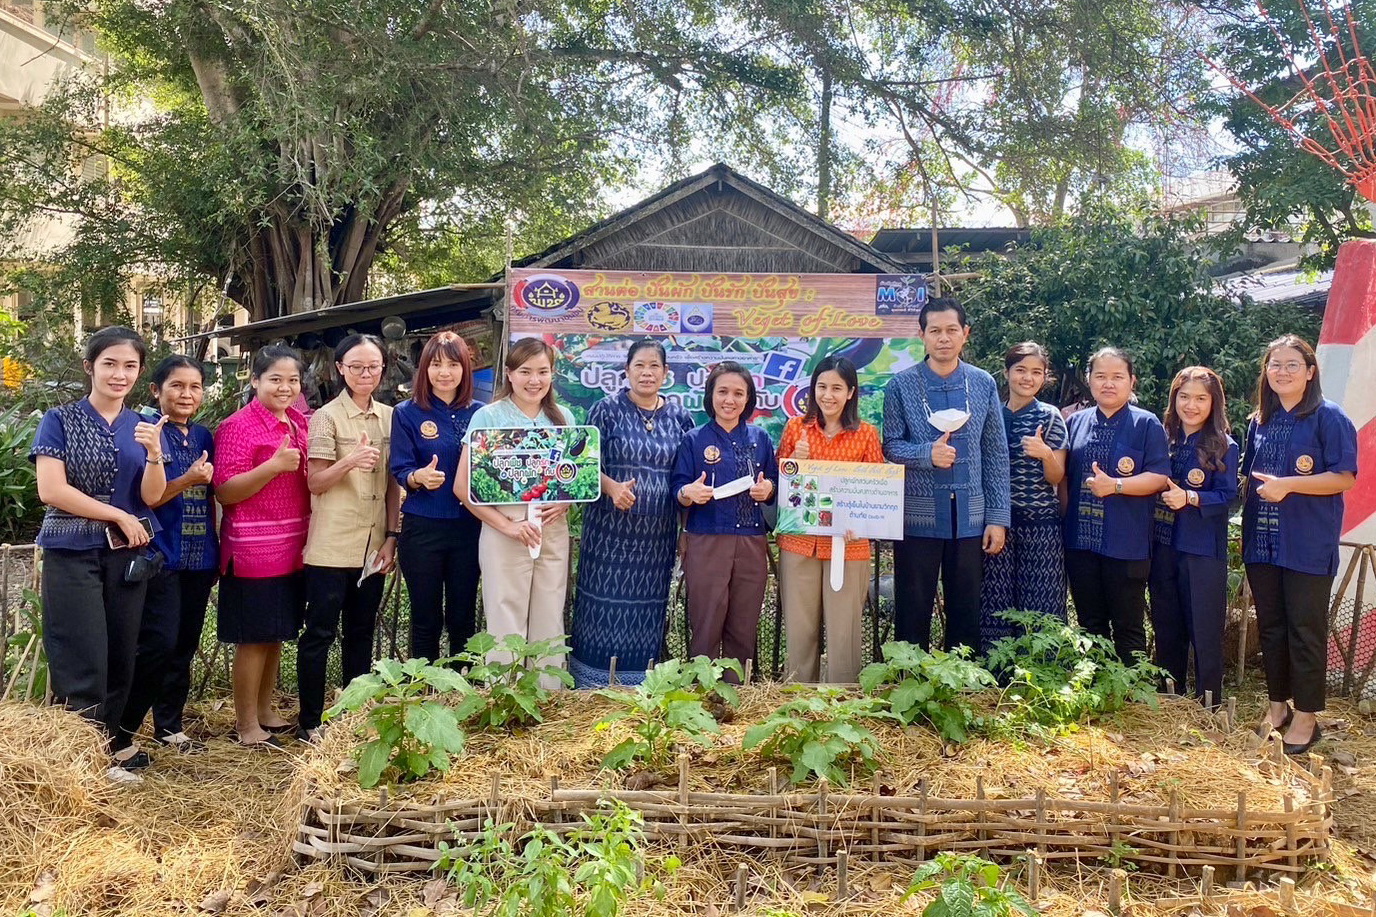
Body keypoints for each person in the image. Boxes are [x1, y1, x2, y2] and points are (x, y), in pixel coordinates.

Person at [31, 326, 167, 781]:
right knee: (82, 655)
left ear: (140, 371)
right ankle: (80, 762)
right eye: (110, 363)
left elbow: (152, 496)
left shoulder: (144, 426)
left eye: (130, 366)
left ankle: (105, 751)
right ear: (90, 366)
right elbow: (52, 490)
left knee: (121, 653)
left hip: (125, 557)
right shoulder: (60, 420)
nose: (119, 374)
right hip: (72, 551)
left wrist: (154, 454)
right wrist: (117, 514)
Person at [1242, 334, 1358, 754]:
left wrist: (1289, 485)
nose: (1283, 372)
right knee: (1272, 628)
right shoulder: (1260, 420)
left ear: (1310, 372)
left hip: (1307, 543)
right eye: (1275, 364)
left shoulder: (1329, 417)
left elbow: (1344, 477)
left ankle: (1307, 717)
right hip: (1263, 541)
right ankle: (1278, 707)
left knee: (1305, 630)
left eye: (1293, 364)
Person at [882, 296, 1010, 652]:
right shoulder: (900, 385)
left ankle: (962, 679)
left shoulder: (982, 383)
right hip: (918, 517)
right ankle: (909, 676)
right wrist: (927, 454)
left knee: (966, 609)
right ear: (921, 335)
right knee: (912, 607)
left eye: (951, 330)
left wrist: (997, 518)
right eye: (935, 331)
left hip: (971, 517)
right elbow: (891, 446)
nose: (943, 338)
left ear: (965, 334)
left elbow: (996, 453)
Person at [570, 340, 694, 687]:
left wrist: (685, 531)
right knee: (600, 609)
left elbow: (684, 479)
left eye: (654, 366)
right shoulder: (604, 410)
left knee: (647, 613)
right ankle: (592, 684)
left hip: (656, 541)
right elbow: (580, 465)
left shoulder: (680, 418)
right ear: (626, 371)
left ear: (666, 373)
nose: (647, 373)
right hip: (607, 536)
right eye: (639, 365)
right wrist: (612, 487)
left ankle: (640, 685)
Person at [296, 334, 401, 742]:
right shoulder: (325, 417)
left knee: (361, 633)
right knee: (319, 634)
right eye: (356, 366)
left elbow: (393, 484)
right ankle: (311, 721)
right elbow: (315, 482)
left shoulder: (391, 417)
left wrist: (391, 536)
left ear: (383, 368)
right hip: (332, 544)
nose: (365, 374)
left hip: (373, 544)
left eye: (373, 366)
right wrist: (351, 460)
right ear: (340, 368)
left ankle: (353, 717)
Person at [456, 338, 572, 687]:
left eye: (543, 372)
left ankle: (549, 697)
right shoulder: (488, 416)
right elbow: (463, 487)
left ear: (552, 375)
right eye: (525, 372)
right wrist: (507, 527)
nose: (534, 380)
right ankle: (505, 698)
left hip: (551, 527)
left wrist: (565, 501)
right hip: (504, 528)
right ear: (509, 374)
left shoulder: (564, 417)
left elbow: (574, 478)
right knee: (505, 615)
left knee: (549, 615)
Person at [118, 355, 219, 755]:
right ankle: (122, 730)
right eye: (177, 386)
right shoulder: (144, 431)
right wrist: (189, 479)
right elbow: (149, 497)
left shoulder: (203, 435)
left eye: (195, 387)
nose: (186, 394)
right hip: (160, 554)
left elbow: (212, 496)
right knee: (157, 644)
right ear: (155, 390)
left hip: (200, 555)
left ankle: (169, 727)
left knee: (185, 645)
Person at [213, 344, 310, 747]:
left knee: (274, 635)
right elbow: (225, 491)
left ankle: (266, 709)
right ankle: (246, 724)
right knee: (253, 639)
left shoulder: (300, 422)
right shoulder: (237, 426)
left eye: (293, 380)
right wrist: (271, 467)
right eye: (275, 379)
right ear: (255, 381)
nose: (285, 387)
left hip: (293, 546)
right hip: (253, 550)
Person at [775, 356, 883, 683]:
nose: (828, 395)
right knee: (800, 630)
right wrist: (794, 461)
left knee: (844, 633)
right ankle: (797, 700)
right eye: (821, 387)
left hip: (849, 546)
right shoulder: (796, 428)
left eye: (837, 388)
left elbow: (876, 489)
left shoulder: (866, 434)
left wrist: (861, 521)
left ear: (850, 392)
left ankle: (843, 702)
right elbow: (780, 482)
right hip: (800, 543)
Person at [670, 361, 778, 680]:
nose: (729, 400)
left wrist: (769, 490)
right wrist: (689, 493)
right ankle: (701, 691)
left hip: (751, 541)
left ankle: (737, 693)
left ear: (748, 399)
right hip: (706, 539)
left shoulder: (760, 438)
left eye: (738, 393)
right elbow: (677, 488)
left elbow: (775, 483)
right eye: (722, 392)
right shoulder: (694, 439)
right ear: (711, 395)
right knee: (706, 622)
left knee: (744, 625)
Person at [1062, 347, 1170, 661]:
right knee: (1090, 624)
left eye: (1117, 377)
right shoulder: (1075, 422)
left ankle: (1133, 687)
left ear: (1131, 381)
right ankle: (1095, 684)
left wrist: (1117, 485)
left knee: (1128, 626)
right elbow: (1063, 477)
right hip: (1080, 543)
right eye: (1100, 376)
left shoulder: (1146, 424)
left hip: (1126, 544)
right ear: (1089, 379)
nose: (1108, 383)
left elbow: (1159, 477)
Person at [390, 330, 483, 662]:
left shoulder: (481, 413)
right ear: (425, 368)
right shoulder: (406, 412)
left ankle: (461, 686)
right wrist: (418, 477)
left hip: (470, 527)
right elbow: (400, 467)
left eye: (453, 364)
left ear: (465, 369)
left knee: (463, 617)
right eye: (436, 364)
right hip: (423, 529)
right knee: (425, 618)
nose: (445, 372)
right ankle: (424, 686)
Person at [1148, 366, 1238, 705]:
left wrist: (1191, 497)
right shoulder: (1162, 440)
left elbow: (1228, 496)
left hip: (1201, 547)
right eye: (1184, 397)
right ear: (1174, 399)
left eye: (1201, 398)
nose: (1191, 405)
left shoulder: (1223, 445)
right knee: (1166, 621)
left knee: (1204, 626)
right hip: (1162, 542)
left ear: (1214, 402)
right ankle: (1169, 696)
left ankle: (1209, 703)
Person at [979, 342, 1068, 652]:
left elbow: (1056, 477)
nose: (1027, 378)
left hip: (1041, 524)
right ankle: (995, 672)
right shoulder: (991, 414)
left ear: (1044, 377)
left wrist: (1045, 454)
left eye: (1036, 372)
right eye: (1020, 370)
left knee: (1042, 604)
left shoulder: (1050, 416)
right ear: (1007, 373)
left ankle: (1043, 670)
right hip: (996, 523)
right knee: (995, 603)